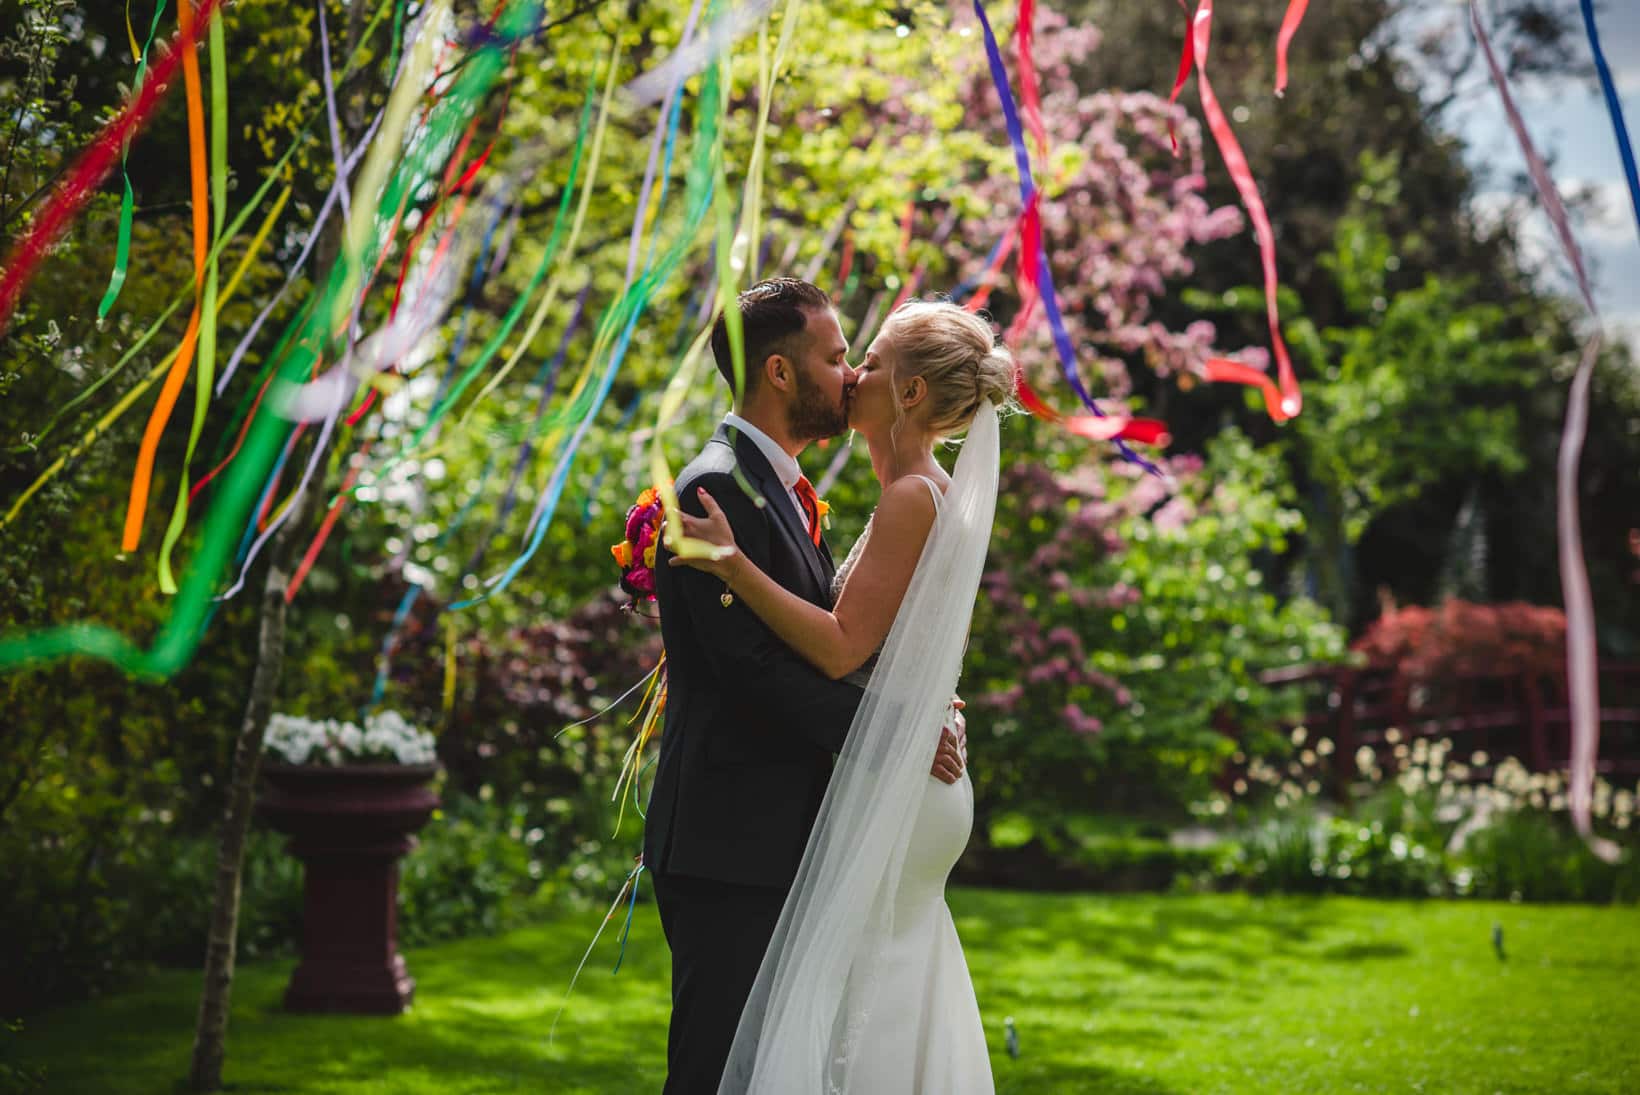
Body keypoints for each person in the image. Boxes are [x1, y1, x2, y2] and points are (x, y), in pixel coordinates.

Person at [672, 298, 1010, 1094]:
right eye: (844, 356)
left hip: (904, 773)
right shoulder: (912, 490)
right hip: (904, 765)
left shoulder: (910, 497)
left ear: (913, 395)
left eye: (871, 360)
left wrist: (733, 567)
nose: (854, 372)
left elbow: (839, 645)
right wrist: (905, 718)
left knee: (869, 995)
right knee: (877, 987)